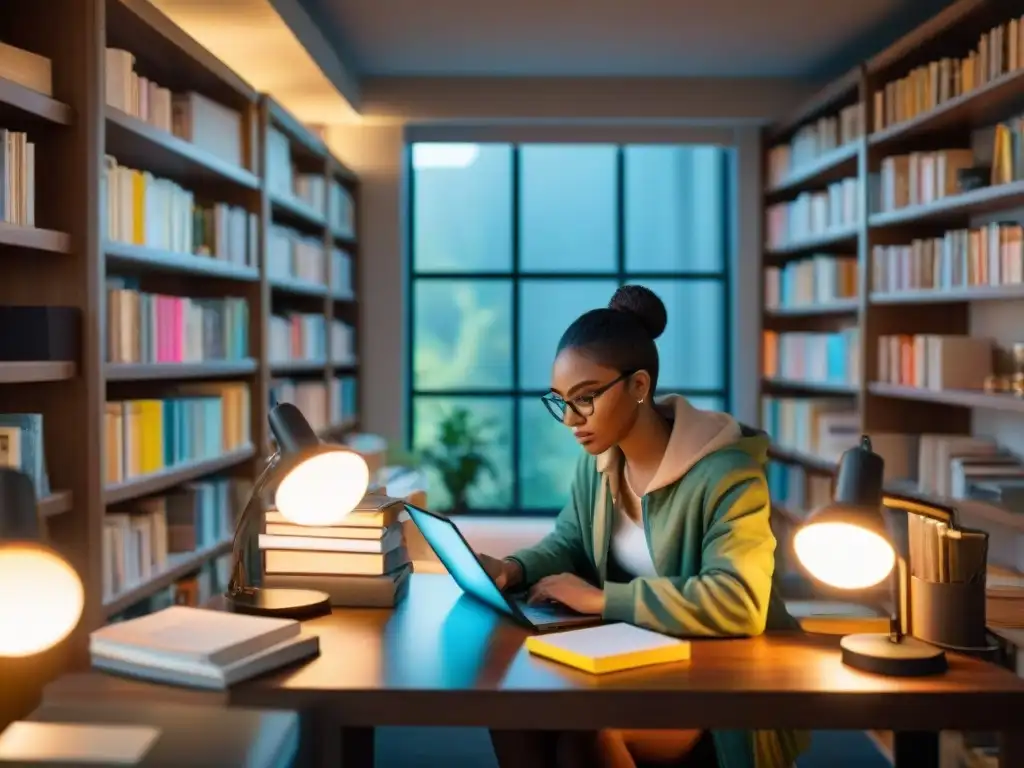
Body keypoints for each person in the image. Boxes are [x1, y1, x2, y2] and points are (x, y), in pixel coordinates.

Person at [478, 285, 807, 768]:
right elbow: (569, 542)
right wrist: (513, 568)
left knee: (588, 738)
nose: (571, 419)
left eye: (586, 398)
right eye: (562, 402)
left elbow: (739, 602)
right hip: (629, 654)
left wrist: (602, 598)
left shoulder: (727, 474)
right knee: (513, 711)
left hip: (712, 675)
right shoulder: (599, 463)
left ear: (639, 386)